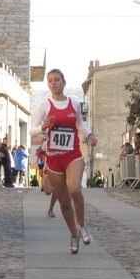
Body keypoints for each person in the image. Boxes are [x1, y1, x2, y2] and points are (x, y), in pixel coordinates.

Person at [30, 69, 97, 254]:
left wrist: (89, 134)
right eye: (50, 80)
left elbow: (79, 123)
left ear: (64, 83)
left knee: (75, 189)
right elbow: (32, 130)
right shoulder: (44, 105)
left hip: (73, 155)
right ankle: (74, 234)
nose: (53, 83)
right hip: (53, 158)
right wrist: (43, 126)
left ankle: (82, 225)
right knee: (65, 203)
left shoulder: (74, 103)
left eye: (57, 80)